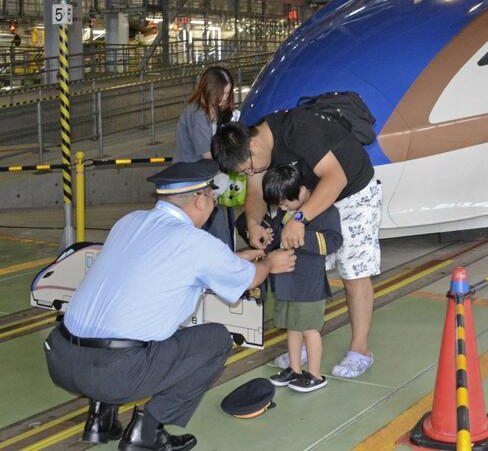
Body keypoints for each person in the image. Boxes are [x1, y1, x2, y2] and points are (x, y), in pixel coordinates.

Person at [43, 159, 296, 451]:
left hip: (61, 358)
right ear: (200, 199)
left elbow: (163, 266)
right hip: (114, 374)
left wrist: (235, 258)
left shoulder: (130, 221)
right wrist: (269, 262)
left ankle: (100, 419)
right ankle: (146, 433)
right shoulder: (194, 242)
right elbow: (251, 279)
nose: (213, 204)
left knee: (120, 325)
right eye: (213, 197)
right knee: (214, 340)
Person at [212, 106, 381, 379]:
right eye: (245, 172)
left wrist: (299, 220)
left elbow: (335, 178)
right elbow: (255, 194)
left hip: (351, 190)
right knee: (301, 266)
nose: (252, 172)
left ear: (253, 144)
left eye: (250, 167)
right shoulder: (255, 153)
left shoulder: (298, 128)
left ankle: (359, 350)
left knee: (354, 270)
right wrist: (254, 224)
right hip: (306, 199)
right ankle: (302, 340)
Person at [263, 164, 343, 393]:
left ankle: (315, 374)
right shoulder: (284, 211)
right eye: (278, 203)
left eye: (286, 201)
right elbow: (278, 237)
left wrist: (302, 237)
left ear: (302, 190)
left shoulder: (325, 210)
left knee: (309, 329)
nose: (282, 207)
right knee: (292, 328)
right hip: (286, 282)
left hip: (308, 284)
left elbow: (334, 241)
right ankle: (295, 369)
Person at [174, 66, 237, 249]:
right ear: (212, 90)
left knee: (212, 234)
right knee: (217, 236)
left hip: (200, 180)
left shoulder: (209, 110)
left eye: (228, 93)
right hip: (193, 183)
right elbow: (206, 154)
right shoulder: (197, 114)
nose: (225, 98)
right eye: (223, 93)